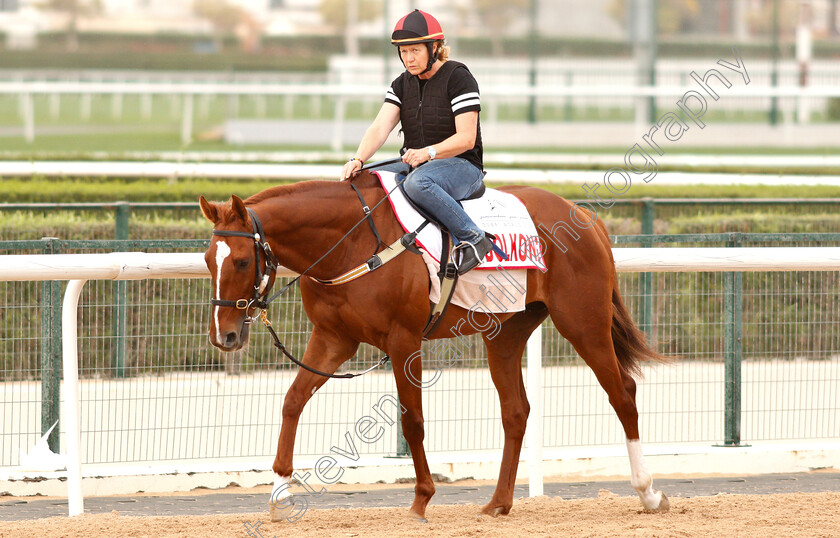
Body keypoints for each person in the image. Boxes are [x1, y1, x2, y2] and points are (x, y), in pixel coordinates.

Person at [340, 9, 492, 274]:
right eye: (403, 52)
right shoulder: (401, 84)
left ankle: (474, 238)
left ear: (434, 47)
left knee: (418, 183)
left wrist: (429, 152)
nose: (408, 59)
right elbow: (380, 127)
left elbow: (466, 139)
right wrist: (357, 159)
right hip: (421, 163)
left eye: (415, 51)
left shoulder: (459, 78)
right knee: (364, 178)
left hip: (463, 167)